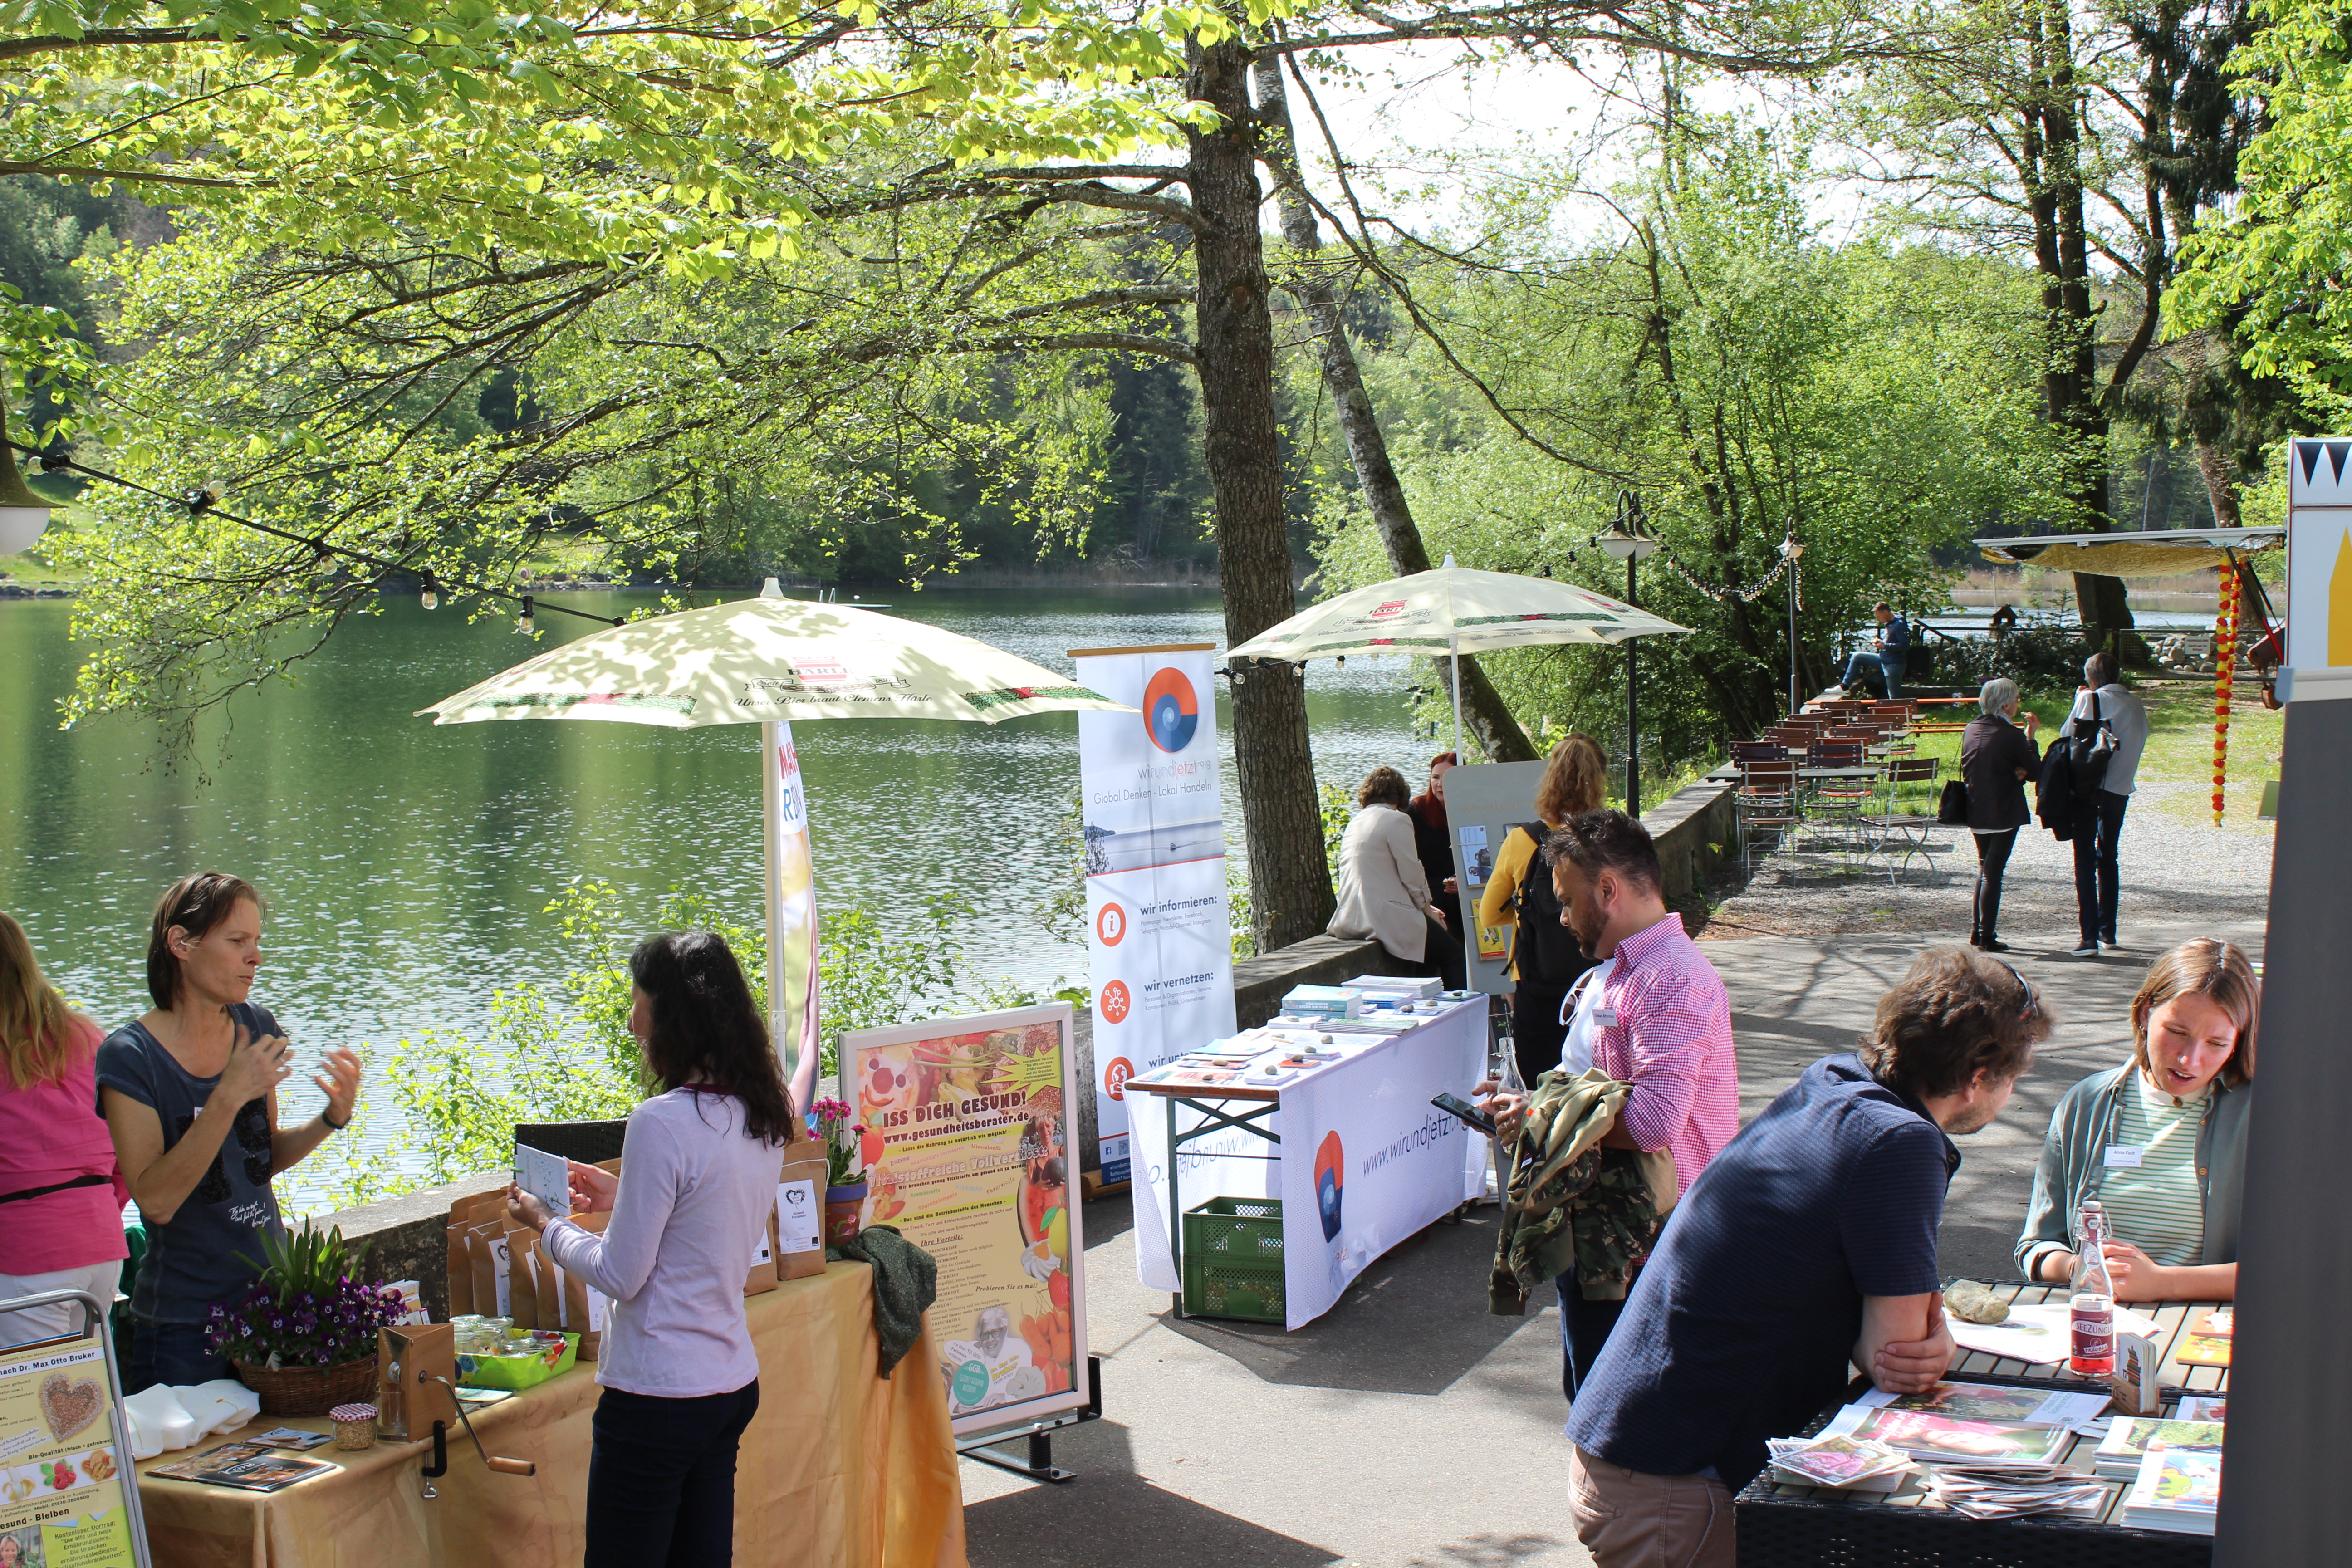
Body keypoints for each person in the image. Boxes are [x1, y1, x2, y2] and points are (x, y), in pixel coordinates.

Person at [1563, 950, 2051, 1568]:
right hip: (1678, 1483)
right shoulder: (1901, 1143)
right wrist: (1938, 1339)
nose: (2011, 1095)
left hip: (1635, 1455)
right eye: (2016, 1078)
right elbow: (1896, 1359)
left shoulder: (1836, 1081)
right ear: (1979, 1076)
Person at [507, 931, 794, 1568]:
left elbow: (622, 1274)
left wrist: (546, 1225)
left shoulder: (661, 1122)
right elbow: (707, 1211)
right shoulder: (763, 1111)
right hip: (727, 1382)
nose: (632, 1020)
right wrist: (624, 1189)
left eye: (638, 1001)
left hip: (657, 1397)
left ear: (670, 1012)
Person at [1485, 808, 1738, 1403]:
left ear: (1608, 890)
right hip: (1613, 1238)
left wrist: (1542, 1118)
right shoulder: (1625, 972)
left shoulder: (1669, 979)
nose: (1564, 919)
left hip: (1650, 1248)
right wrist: (1530, 1108)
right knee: (1596, 1403)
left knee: (1621, 1420)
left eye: (1568, 903)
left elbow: (1651, 1123)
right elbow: (1597, 1093)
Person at [98, 874, 361, 1390]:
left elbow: (259, 1159)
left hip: (271, 1309)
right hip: (182, 1324)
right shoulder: (129, 1058)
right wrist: (226, 1097)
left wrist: (331, 1120)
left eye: (258, 941)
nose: (256, 957)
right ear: (181, 944)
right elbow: (155, 1201)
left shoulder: (255, 1027)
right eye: (237, 941)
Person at [2016, 937, 2255, 1300]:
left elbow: (2298, 1265)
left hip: (2204, 1336)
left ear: (2239, 1041)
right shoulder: (2086, 1103)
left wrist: (2163, 1283)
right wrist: (2079, 1269)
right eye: (2178, 1033)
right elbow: (2036, 1247)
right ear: (2146, 1012)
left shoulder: (2268, 1117)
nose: (2190, 1059)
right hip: (2094, 1323)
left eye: (2217, 1044)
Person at [0, 912, 129, 1349]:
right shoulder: (83, 1034)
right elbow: (128, 1143)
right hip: (100, 1241)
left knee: (34, 1407)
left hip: (28, 1251)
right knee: (85, 1395)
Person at [1476, 735, 1608, 1085]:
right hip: (1601, 980)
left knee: (1539, 1087)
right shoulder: (1610, 838)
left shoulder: (1524, 840)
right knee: (1597, 1083)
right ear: (1598, 782)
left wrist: (1530, 911)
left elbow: (1490, 915)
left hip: (1538, 984)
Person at [1328, 766, 1465, 991]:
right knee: (1454, 955)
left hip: (1350, 915)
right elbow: (1411, 871)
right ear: (1401, 795)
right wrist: (1428, 909)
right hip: (1383, 915)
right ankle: (1456, 1016)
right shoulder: (1397, 820)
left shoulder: (1356, 821)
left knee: (1428, 956)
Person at [2056, 652, 2148, 955]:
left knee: (2084, 858)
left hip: (2089, 786)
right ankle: (2109, 931)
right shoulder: (2135, 703)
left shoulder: (2090, 699)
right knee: (2108, 857)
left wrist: (2078, 700)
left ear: (2091, 678)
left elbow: (2066, 736)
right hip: (2120, 787)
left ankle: (2088, 937)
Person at [1960, 678, 2040, 953]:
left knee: (1985, 869)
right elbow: (2036, 771)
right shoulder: (2011, 734)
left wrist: (2018, 770)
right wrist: (2031, 737)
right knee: (1993, 872)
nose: (2019, 703)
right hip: (2003, 808)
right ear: (2006, 704)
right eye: (2016, 698)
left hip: (1975, 806)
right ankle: (1986, 935)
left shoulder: (1971, 728)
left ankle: (1977, 931)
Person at [1408, 750, 1461, 939]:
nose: (1440, 784)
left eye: (1447, 778)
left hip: (1465, 888)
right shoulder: (1417, 810)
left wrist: (1461, 879)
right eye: (1435, 777)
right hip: (1430, 890)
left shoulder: (1475, 809)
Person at [1825, 602, 1911, 700]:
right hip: (1884, 659)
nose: (1877, 619)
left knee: (1895, 698)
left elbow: (1905, 645)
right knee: (1857, 657)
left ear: (1886, 612)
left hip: (1894, 664)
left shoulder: (1899, 625)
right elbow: (1891, 640)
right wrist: (1880, 642)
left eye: (1878, 616)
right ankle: (1844, 687)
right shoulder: (1889, 624)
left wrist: (1885, 646)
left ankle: (1901, 714)